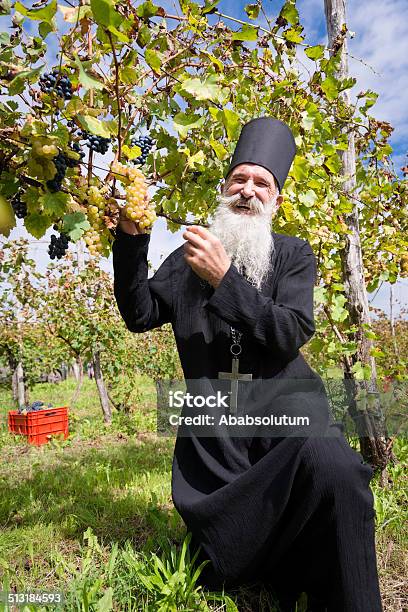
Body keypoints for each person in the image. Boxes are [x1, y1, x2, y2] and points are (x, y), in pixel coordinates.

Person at [112, 117, 383, 611]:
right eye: (240, 178)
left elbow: (289, 332)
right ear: (223, 189)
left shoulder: (293, 255)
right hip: (214, 433)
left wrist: (224, 281)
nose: (249, 190)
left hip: (289, 417)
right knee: (227, 560)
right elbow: (139, 313)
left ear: (276, 199)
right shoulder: (187, 258)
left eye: (263, 183)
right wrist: (132, 241)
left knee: (339, 470)